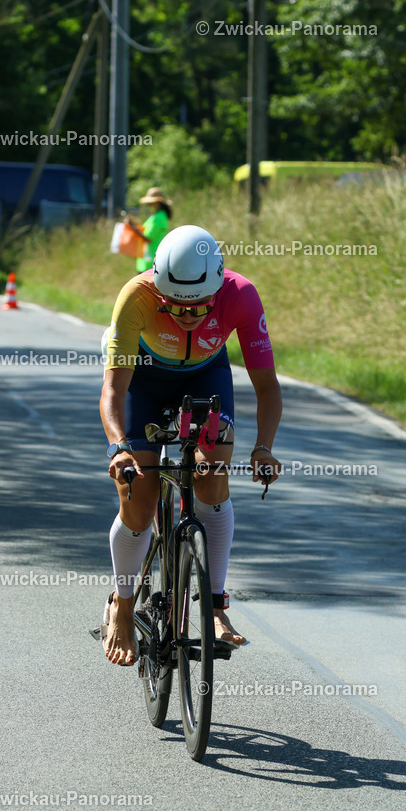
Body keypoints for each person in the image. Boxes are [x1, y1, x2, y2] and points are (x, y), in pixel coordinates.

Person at [100, 224, 283, 666]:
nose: (187, 315)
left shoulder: (241, 294)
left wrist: (263, 447)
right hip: (143, 377)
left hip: (205, 374)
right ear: (157, 289)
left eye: (199, 306)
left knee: (212, 478)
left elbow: (267, 385)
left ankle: (216, 605)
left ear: (217, 289)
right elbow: (113, 392)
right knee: (139, 502)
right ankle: (122, 606)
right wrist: (119, 447)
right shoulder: (137, 295)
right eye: (175, 306)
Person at [125, 186, 172, 274]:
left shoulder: (159, 217)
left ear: (157, 202)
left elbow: (147, 238)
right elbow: (145, 230)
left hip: (150, 263)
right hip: (146, 261)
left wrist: (133, 227)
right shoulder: (157, 216)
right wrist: (134, 224)